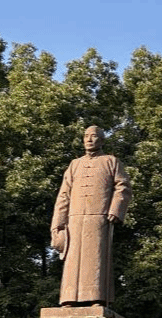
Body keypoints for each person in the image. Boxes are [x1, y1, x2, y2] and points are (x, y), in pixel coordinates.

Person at [50, 126, 132, 306]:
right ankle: (69, 298)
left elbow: (123, 187)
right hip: (74, 219)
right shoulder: (75, 164)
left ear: (101, 140)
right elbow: (63, 196)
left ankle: (97, 297)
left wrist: (115, 209)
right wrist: (58, 224)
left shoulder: (111, 161)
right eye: (86, 136)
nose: (88, 139)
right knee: (72, 260)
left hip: (99, 217)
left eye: (93, 136)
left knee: (96, 258)